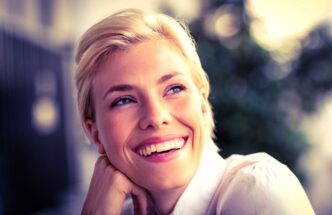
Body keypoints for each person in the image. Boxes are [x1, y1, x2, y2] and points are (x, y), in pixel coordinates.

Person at [74, 9, 315, 215]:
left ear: (201, 102)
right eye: (124, 100)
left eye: (174, 88)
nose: (156, 118)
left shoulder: (257, 191)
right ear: (95, 133)